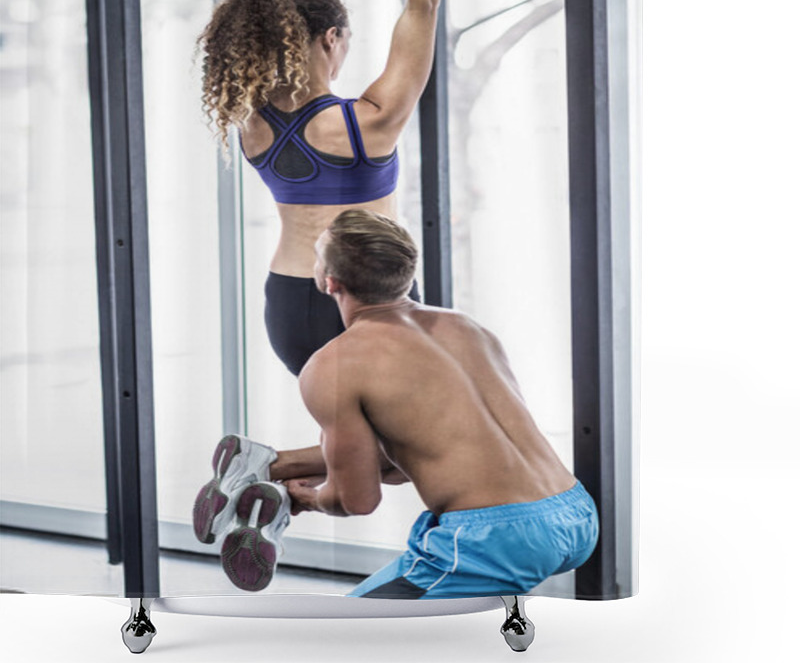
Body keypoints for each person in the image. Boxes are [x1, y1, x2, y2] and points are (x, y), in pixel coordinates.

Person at [194, 209, 599, 598]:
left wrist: (306, 499)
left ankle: (267, 477)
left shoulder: (335, 364)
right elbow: (410, 459)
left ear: (329, 281)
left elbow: (356, 500)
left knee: (348, 638)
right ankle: (268, 464)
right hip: (576, 513)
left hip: (493, 541)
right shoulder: (467, 328)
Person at [197, 0, 441, 376]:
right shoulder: (368, 121)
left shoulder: (251, 116)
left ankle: (262, 458)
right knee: (394, 443)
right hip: (370, 301)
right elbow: (424, 4)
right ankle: (274, 460)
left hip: (289, 300)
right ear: (332, 38)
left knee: (340, 434)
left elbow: (258, 14)